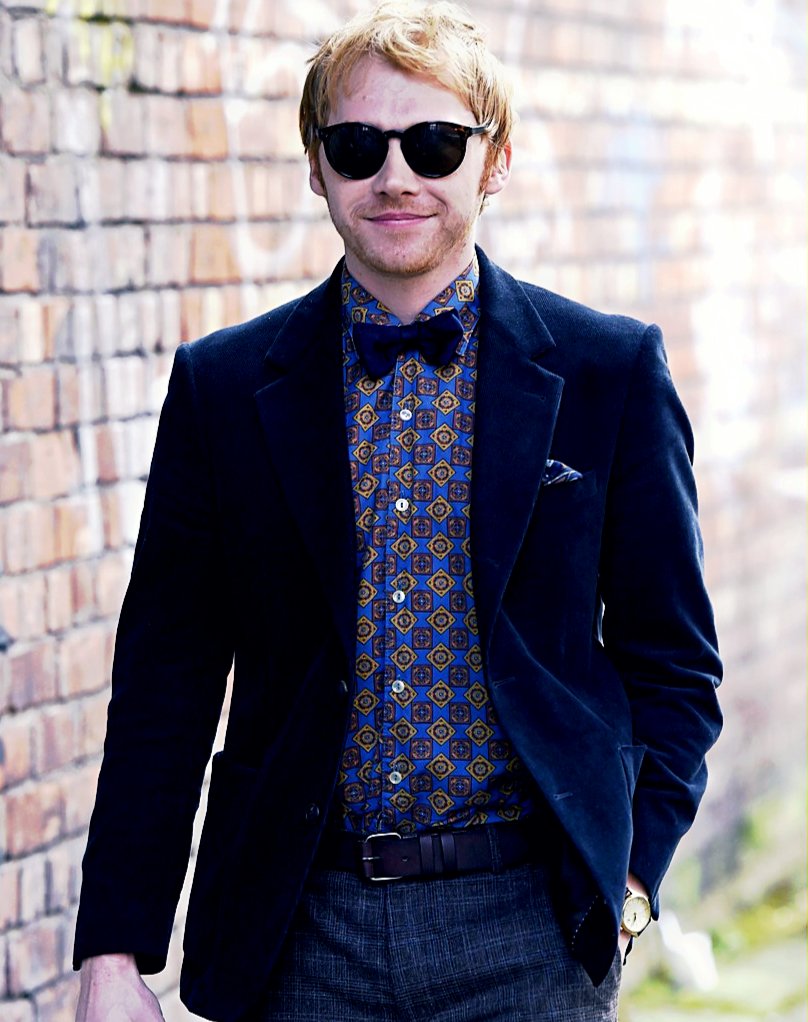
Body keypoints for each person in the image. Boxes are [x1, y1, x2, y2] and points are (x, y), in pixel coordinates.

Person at [73, 3, 723, 1020]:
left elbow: (673, 662)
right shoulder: (222, 390)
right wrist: (114, 951)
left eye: (434, 143)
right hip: (298, 934)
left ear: (493, 160)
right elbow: (166, 683)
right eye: (357, 145)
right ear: (316, 164)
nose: (395, 176)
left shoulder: (610, 373)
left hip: (530, 932)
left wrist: (630, 881)